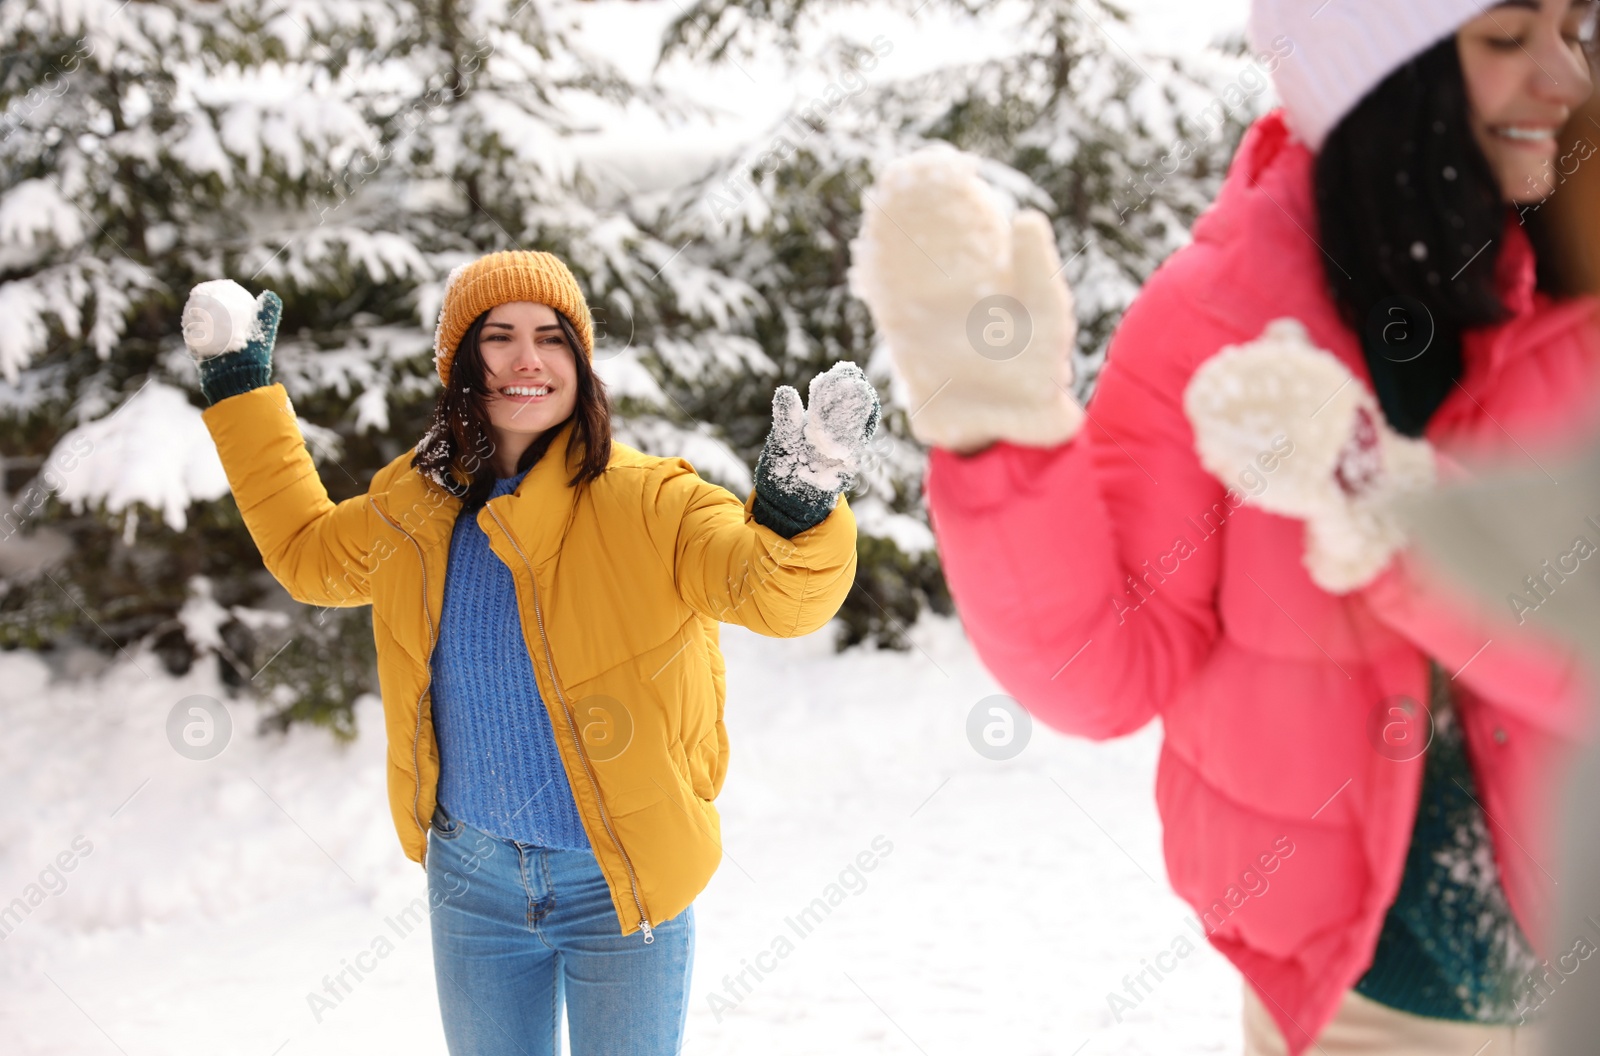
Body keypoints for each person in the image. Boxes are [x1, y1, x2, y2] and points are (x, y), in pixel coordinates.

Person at [848, 0, 1600, 1053]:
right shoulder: (1214, 319)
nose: (1564, 77)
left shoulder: (1579, 280)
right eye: (1508, 36)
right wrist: (999, 443)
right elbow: (1104, 667)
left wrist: (1386, 512)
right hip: (1367, 1007)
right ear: (1383, 70)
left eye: (1577, 29)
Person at [180, 249, 880, 1055]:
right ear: (461, 364)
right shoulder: (419, 504)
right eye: (499, 336)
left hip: (618, 883)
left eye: (552, 338)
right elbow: (307, 552)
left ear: (579, 364)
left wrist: (796, 505)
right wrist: (239, 386)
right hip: (472, 882)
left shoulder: (650, 500)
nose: (527, 359)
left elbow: (771, 593)